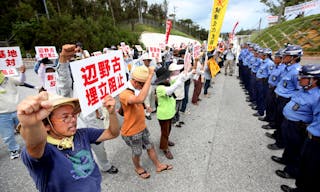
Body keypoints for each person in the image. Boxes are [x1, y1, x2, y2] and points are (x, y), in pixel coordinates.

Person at [18, 92, 119, 192]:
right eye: (65, 117)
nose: (73, 120)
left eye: (73, 115)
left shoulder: (83, 134)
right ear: (46, 125)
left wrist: (112, 113)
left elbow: (112, 133)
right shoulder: (45, 151)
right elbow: (35, 145)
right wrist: (32, 125)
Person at [56, 44, 119, 174]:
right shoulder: (67, 91)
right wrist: (63, 60)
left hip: (91, 125)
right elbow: (63, 82)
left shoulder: (92, 82)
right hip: (73, 129)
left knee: (100, 148)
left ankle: (105, 166)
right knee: (79, 156)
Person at [119, 66, 173, 179]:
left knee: (150, 146)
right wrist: (149, 77)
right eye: (142, 84)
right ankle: (138, 168)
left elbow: (139, 99)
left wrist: (145, 107)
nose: (143, 87)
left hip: (142, 127)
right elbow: (138, 99)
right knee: (137, 152)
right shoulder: (124, 93)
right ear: (134, 81)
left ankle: (158, 165)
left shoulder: (135, 89)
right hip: (131, 131)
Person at [272, 64, 320, 180]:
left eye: (303, 77)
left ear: (314, 80)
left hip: (298, 127)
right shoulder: (303, 89)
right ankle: (285, 160)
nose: (299, 78)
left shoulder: (316, 96)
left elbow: (316, 118)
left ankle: (291, 171)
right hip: (289, 123)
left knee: (296, 150)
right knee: (289, 145)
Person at [268, 45, 302, 150]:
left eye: (287, 55)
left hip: (285, 99)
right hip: (279, 96)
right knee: (278, 119)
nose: (284, 57)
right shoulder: (287, 68)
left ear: (294, 57)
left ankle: (280, 142)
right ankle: (277, 135)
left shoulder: (296, 71)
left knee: (282, 121)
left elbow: (299, 89)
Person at [155, 66, 191, 159]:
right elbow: (170, 90)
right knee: (165, 132)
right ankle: (164, 148)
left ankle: (166, 141)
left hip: (170, 112)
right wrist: (179, 81)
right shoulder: (160, 88)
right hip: (164, 115)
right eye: (167, 77)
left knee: (168, 129)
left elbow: (177, 81)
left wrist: (183, 75)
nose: (169, 78)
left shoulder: (167, 83)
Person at [0, 65, 26, 160]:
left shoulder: (9, 79)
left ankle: (31, 144)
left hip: (17, 110)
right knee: (7, 134)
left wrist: (22, 72)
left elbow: (21, 81)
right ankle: (13, 149)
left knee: (25, 129)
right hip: (2, 115)